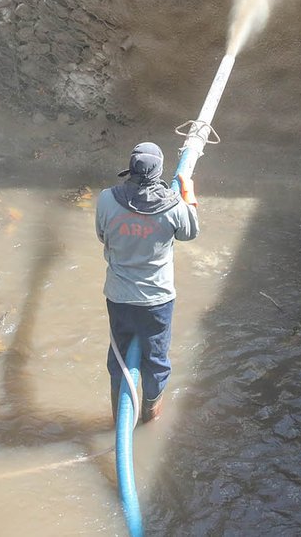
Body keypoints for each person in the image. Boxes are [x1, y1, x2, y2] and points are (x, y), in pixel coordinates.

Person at [95, 140, 198, 425]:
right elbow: (190, 232)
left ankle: (119, 421)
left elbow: (102, 235)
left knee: (119, 360)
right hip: (157, 301)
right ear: (159, 173)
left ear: (130, 168)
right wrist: (188, 192)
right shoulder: (174, 206)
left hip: (119, 297)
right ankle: (150, 418)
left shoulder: (106, 199)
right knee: (155, 363)